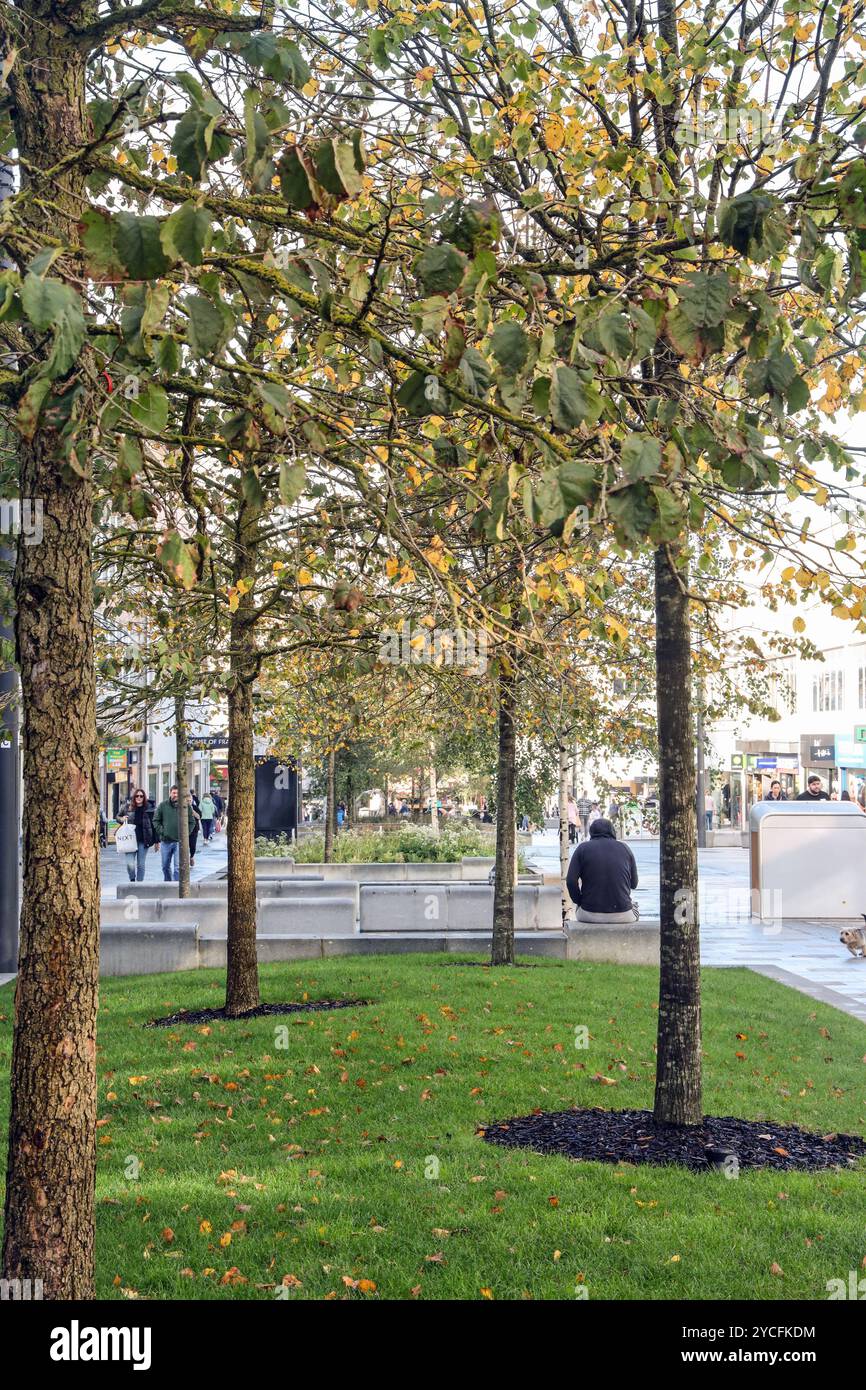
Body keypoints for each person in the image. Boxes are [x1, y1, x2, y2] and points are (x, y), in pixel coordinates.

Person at [566, 817, 639, 923]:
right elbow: (634, 884)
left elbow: (571, 881)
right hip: (623, 913)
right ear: (612, 831)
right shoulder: (625, 848)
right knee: (635, 906)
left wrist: (579, 901)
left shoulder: (582, 849)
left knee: (578, 908)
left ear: (591, 832)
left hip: (588, 913)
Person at [153, 785, 196, 882]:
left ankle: (177, 888)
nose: (175, 795)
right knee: (165, 866)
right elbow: (156, 820)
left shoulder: (186, 806)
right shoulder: (163, 806)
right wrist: (162, 831)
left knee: (177, 868)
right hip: (166, 842)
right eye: (174, 793)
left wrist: (186, 833)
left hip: (180, 842)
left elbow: (192, 822)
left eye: (177, 793)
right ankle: (168, 885)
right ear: (170, 793)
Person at [118, 787, 157, 881]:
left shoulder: (150, 809)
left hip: (143, 840)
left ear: (144, 798)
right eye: (137, 796)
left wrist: (157, 841)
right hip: (129, 840)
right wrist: (122, 819)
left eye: (141, 796)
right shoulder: (127, 807)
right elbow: (118, 816)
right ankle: (132, 879)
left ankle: (139, 885)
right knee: (129, 864)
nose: (139, 797)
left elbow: (154, 824)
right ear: (134, 797)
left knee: (141, 864)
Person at [187, 792, 202, 866]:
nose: (189, 802)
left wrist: (193, 812)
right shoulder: (182, 808)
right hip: (184, 831)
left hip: (194, 830)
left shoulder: (195, 807)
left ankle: (192, 856)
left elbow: (199, 816)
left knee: (192, 845)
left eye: (190, 801)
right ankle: (185, 859)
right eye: (187, 801)